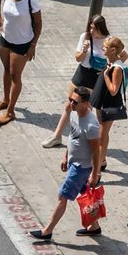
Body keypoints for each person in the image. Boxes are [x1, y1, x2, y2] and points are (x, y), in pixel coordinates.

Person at [28, 85, 100, 243]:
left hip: (81, 168)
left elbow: (96, 152)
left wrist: (95, 174)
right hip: (74, 163)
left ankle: (47, 231)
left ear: (86, 103)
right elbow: (73, 138)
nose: (71, 104)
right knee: (85, 195)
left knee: (63, 196)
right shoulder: (74, 114)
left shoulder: (91, 125)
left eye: (75, 102)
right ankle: (94, 226)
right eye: (70, 100)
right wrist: (66, 156)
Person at [40, 14, 110, 148]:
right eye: (90, 27)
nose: (91, 31)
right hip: (82, 73)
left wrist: (111, 68)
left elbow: (122, 55)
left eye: (94, 28)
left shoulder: (109, 40)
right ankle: (56, 136)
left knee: (91, 111)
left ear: (101, 28)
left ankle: (96, 146)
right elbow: (77, 58)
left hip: (96, 78)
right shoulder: (85, 37)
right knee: (69, 106)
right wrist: (84, 50)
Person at [0, 0, 42, 127]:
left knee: (15, 75)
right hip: (6, 39)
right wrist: (0, 20)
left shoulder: (31, 2)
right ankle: (5, 100)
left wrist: (33, 45)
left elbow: (38, 24)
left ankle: (10, 112)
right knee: (6, 69)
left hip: (22, 43)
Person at [92, 36, 128, 168]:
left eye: (106, 47)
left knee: (101, 137)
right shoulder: (112, 61)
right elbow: (125, 54)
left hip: (109, 104)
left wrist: (106, 76)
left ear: (113, 50)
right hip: (102, 102)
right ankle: (101, 161)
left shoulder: (116, 69)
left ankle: (97, 168)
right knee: (103, 133)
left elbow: (114, 90)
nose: (103, 48)